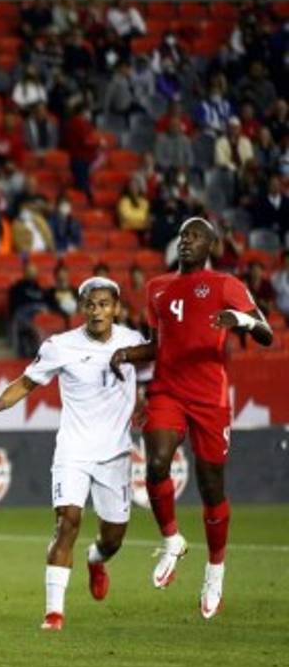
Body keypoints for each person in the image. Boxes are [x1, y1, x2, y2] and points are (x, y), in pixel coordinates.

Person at [110, 218, 274, 618]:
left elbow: (268, 333)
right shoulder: (157, 288)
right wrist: (128, 354)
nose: (187, 241)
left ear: (211, 246)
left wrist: (244, 321)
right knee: (156, 464)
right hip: (167, 390)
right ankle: (172, 540)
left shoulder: (225, 286)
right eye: (183, 235)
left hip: (209, 399)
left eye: (195, 236)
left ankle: (215, 569)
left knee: (211, 486)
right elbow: (157, 345)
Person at [0, 277, 146, 630]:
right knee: (67, 522)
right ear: (81, 308)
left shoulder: (135, 342)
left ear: (116, 308)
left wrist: (148, 403)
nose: (97, 311)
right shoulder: (59, 346)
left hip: (115, 454)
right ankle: (54, 613)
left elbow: (158, 374)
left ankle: (96, 560)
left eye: (104, 304)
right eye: (90, 304)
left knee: (113, 539)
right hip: (73, 450)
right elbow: (26, 382)